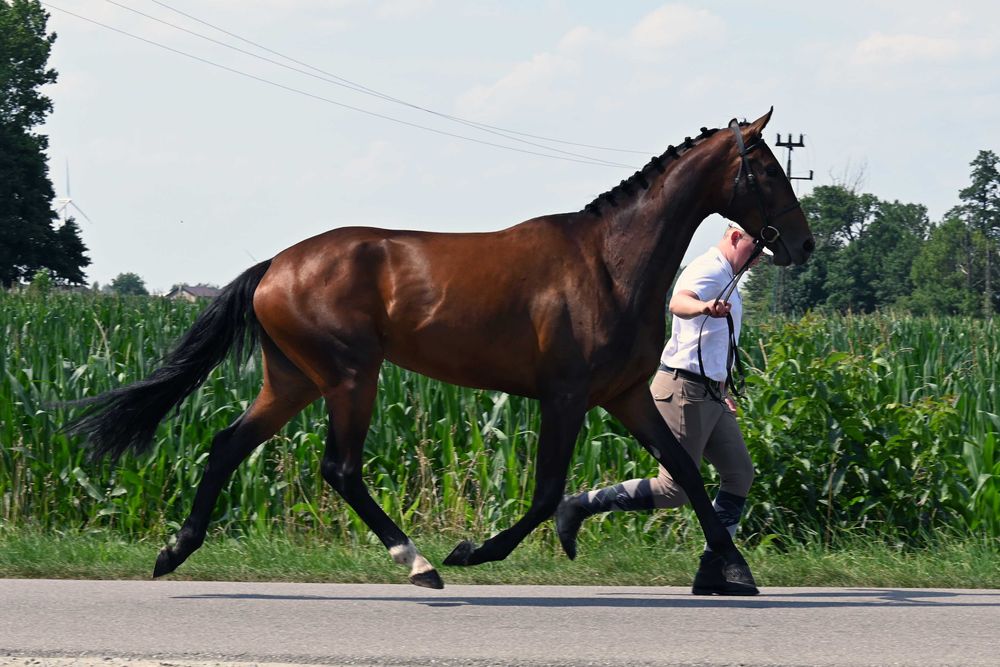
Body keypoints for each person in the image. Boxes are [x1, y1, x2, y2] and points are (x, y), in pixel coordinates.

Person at [554, 222, 768, 595]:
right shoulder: (709, 268)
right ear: (736, 237)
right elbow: (677, 301)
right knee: (674, 490)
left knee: (739, 473)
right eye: (755, 251)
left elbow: (714, 341)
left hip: (711, 394)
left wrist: (722, 384)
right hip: (682, 390)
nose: (757, 262)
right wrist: (703, 306)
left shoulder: (729, 275)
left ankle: (713, 569)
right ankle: (578, 506)